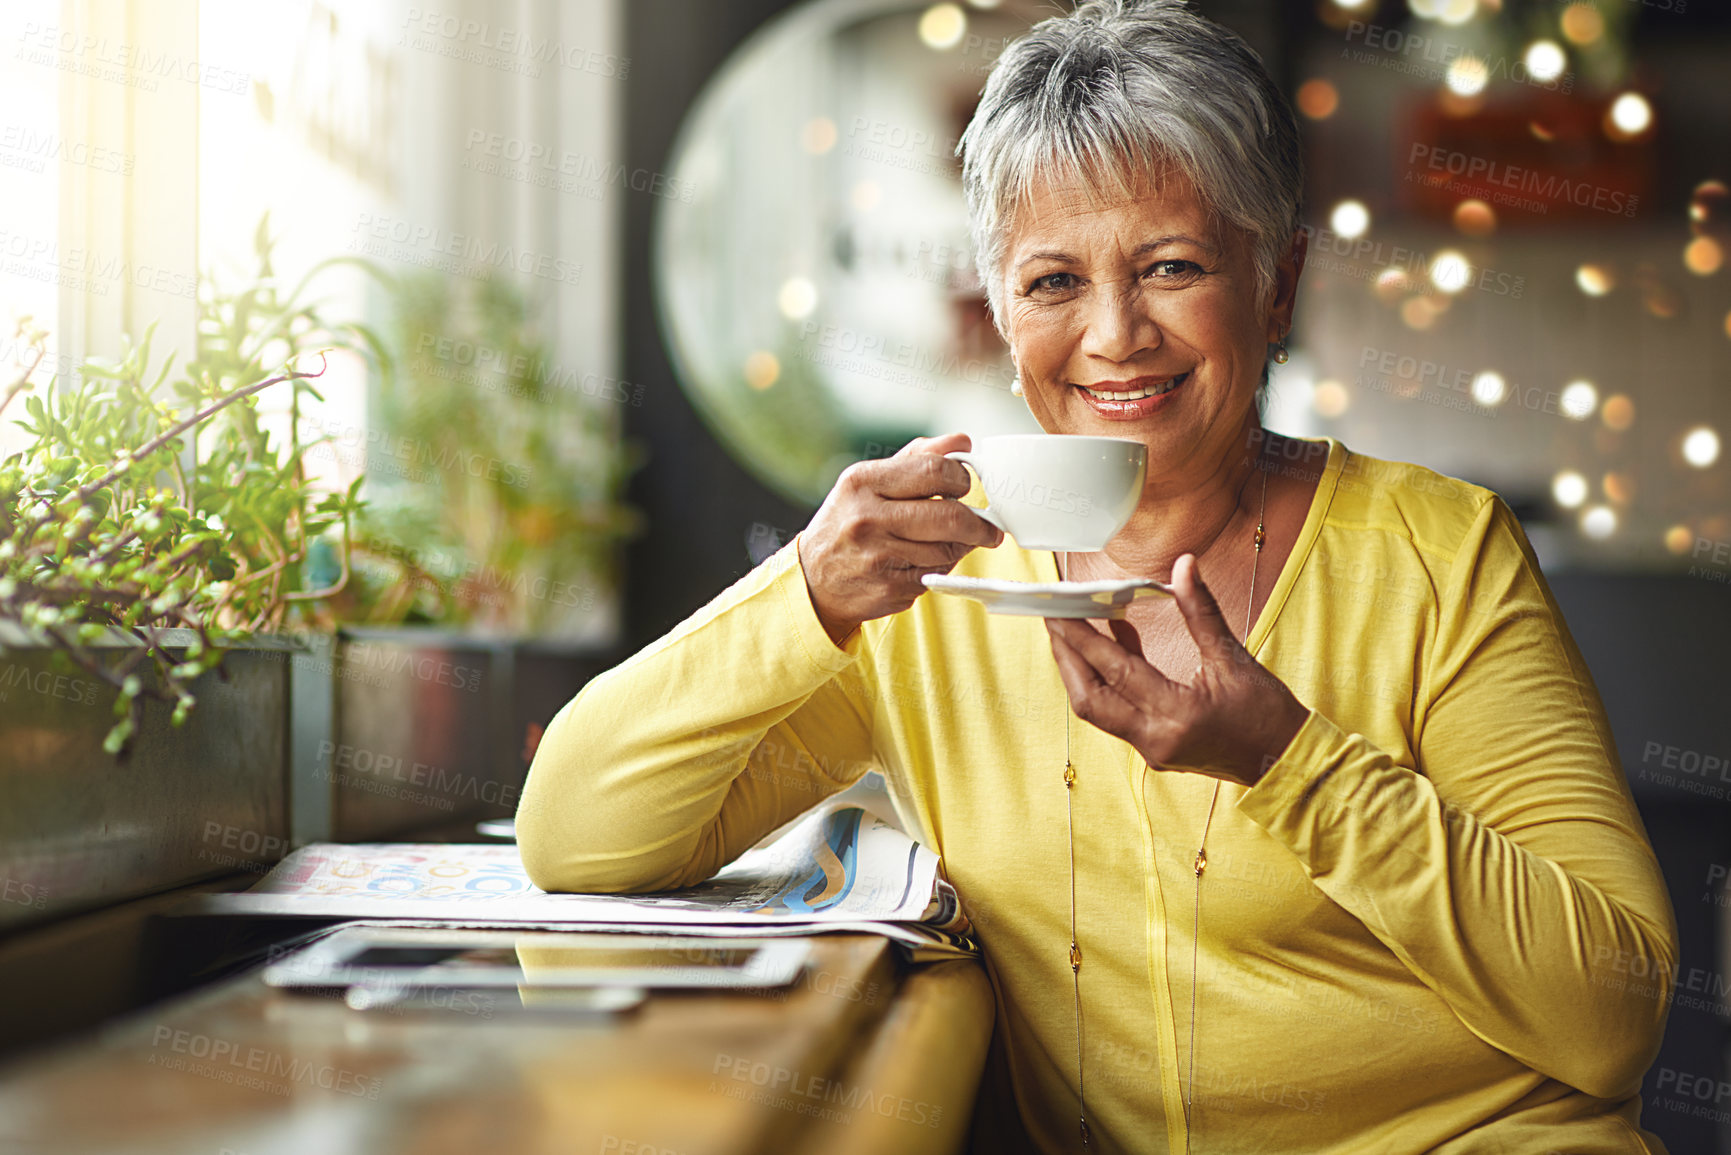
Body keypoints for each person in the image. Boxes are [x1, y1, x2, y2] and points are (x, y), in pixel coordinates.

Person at [518, 0, 1677, 1150]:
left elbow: (1612, 1016)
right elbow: (575, 835)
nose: (1116, 334)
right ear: (1003, 313)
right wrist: (805, 590)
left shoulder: (1439, 552)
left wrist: (1287, 762)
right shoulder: (939, 593)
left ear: (1277, 284)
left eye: (1171, 267)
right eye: (1052, 282)